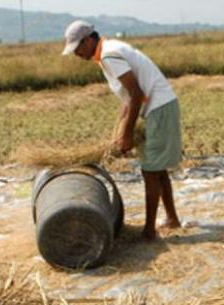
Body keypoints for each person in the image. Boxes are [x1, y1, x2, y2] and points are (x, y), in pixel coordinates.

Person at [62, 20, 182, 241]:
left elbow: (137, 94)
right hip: (158, 108)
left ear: (89, 40)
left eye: (78, 48)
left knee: (150, 170)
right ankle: (171, 219)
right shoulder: (107, 52)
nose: (77, 54)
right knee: (157, 168)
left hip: (159, 109)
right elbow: (128, 100)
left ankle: (148, 231)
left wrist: (127, 134)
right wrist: (118, 132)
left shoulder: (109, 55)